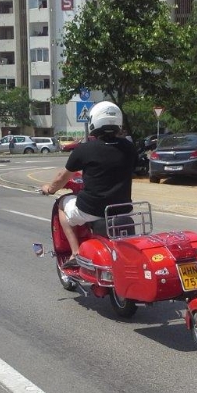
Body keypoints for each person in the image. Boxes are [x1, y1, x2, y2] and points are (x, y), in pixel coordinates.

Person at [40, 101, 135, 268]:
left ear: (94, 122)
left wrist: (50, 188)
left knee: (62, 204)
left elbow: (62, 177)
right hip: (123, 209)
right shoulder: (129, 147)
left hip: (93, 210)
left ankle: (75, 253)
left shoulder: (85, 149)